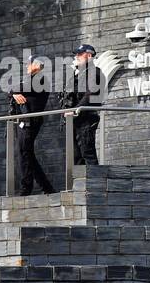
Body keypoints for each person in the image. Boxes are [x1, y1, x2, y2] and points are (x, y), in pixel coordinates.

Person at [9, 58, 54, 195]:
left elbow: (15, 88)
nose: (27, 66)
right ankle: (46, 187)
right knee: (26, 153)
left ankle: (26, 188)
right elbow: (11, 90)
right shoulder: (31, 78)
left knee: (24, 152)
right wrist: (14, 93)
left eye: (29, 64)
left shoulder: (39, 79)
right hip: (24, 120)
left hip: (30, 120)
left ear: (37, 66)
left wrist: (14, 92)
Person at [63, 43, 105, 166]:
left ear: (89, 55)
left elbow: (90, 94)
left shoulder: (95, 72)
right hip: (75, 120)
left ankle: (95, 184)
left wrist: (76, 110)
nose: (76, 56)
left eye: (80, 54)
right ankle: (79, 185)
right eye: (76, 54)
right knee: (76, 157)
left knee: (88, 154)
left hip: (86, 119)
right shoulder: (78, 74)